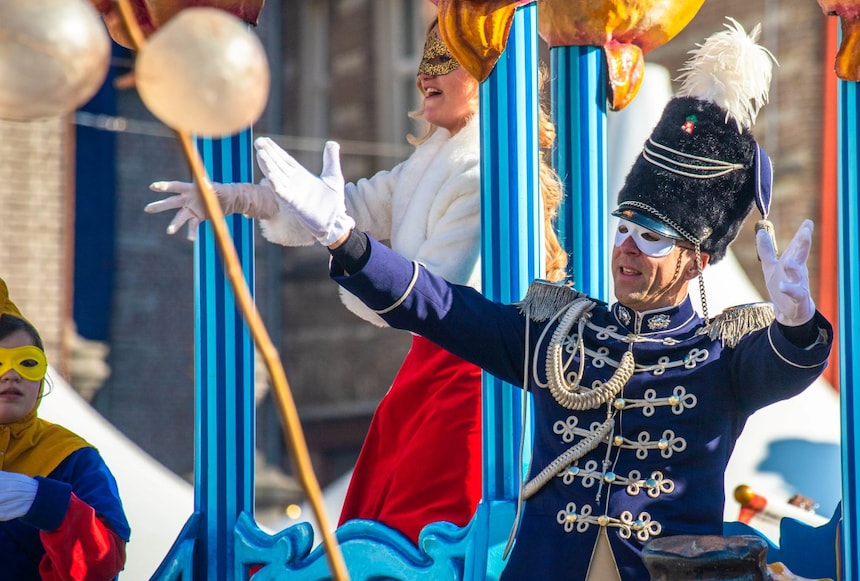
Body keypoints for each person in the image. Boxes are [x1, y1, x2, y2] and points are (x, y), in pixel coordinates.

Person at [252, 20, 832, 581]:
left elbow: (787, 366)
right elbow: (444, 307)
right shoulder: (563, 334)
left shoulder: (723, 353)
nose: (628, 250)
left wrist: (797, 323)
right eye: (624, 227)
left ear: (698, 257)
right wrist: (347, 241)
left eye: (653, 237)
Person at [144, 21, 567, 543]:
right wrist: (247, 199)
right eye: (426, 55)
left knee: (423, 533)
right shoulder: (432, 163)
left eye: (445, 58)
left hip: (472, 383)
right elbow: (347, 208)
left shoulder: (483, 174)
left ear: (485, 74)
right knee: (378, 529)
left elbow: (431, 295)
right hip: (430, 372)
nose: (424, 76)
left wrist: (342, 238)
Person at [0, 278, 131, 581]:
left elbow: (105, 562)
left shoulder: (74, 458)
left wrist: (47, 503)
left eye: (26, 362)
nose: (10, 375)